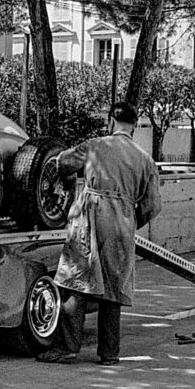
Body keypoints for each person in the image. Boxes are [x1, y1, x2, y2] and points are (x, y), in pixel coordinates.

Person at [36, 101, 161, 366]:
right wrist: (129, 221)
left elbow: (62, 163)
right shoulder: (145, 160)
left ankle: (66, 348)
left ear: (111, 122)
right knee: (112, 289)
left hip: (89, 217)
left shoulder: (95, 146)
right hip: (122, 224)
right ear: (134, 126)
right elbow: (153, 206)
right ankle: (109, 354)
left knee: (75, 281)